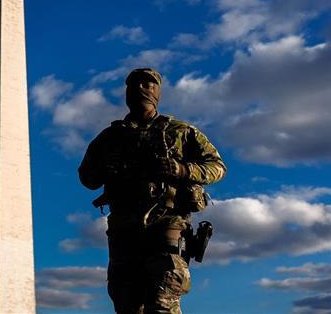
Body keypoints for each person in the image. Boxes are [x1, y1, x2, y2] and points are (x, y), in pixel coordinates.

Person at [79, 68, 226, 314]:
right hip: (124, 233)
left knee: (162, 305)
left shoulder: (180, 132)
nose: (140, 89)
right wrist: (112, 170)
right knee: (127, 306)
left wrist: (182, 170)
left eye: (148, 85)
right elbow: (87, 177)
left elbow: (217, 167)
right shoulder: (109, 138)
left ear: (157, 92)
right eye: (134, 85)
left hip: (166, 227)